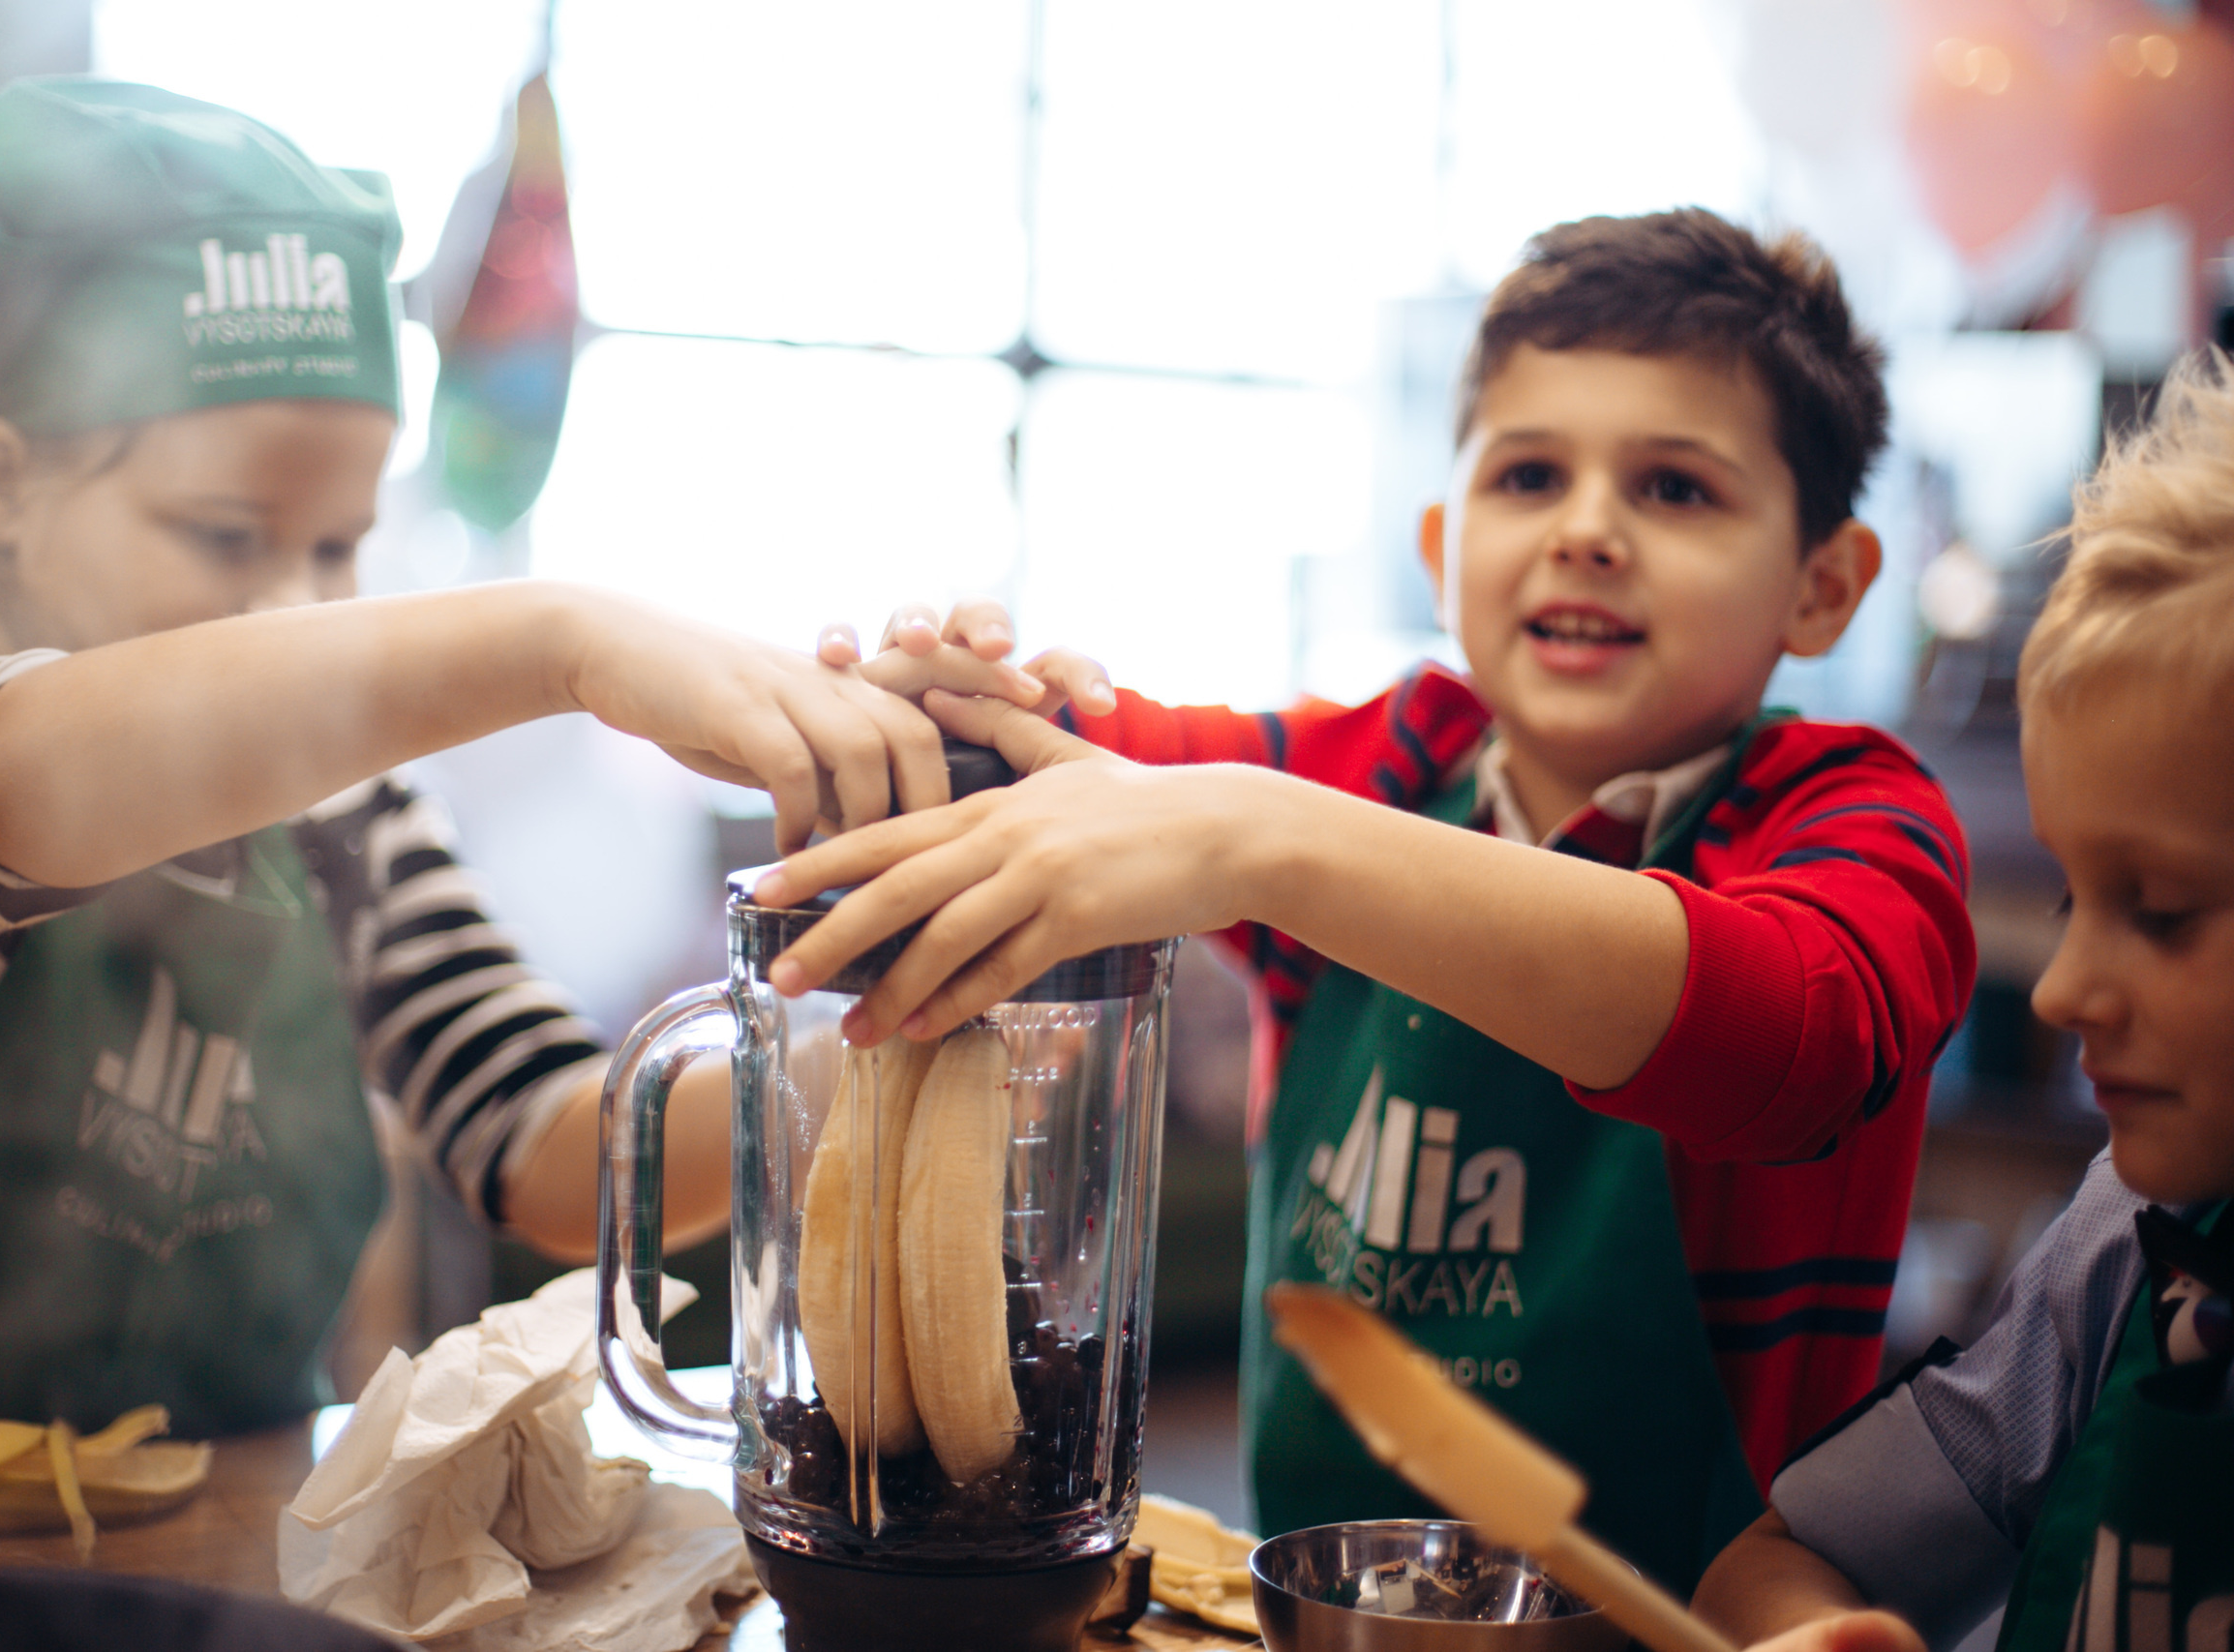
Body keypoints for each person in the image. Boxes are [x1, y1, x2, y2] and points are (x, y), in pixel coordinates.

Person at [0, 78, 1035, 1475]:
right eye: (227, 532)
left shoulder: (343, 826)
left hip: (221, 1564)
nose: (299, 606)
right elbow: (24, 785)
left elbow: (553, 1150)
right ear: (1, 484)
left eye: (339, 543)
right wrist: (562, 638)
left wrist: (895, 993)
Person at [765, 209, 1977, 1591]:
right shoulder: (1378, 765)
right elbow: (1089, 772)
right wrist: (956, 712)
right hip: (1317, 1612)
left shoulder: (1856, 817)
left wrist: (1272, 841)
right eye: (1529, 476)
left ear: (1824, 587)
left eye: (1676, 490)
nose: (1587, 530)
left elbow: (1791, 1040)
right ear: (1441, 539)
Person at [1691, 349, 2234, 1652]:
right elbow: (1777, 1568)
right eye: (2069, 904)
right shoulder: (2123, 1250)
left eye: (2158, 911)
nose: (2059, 990)